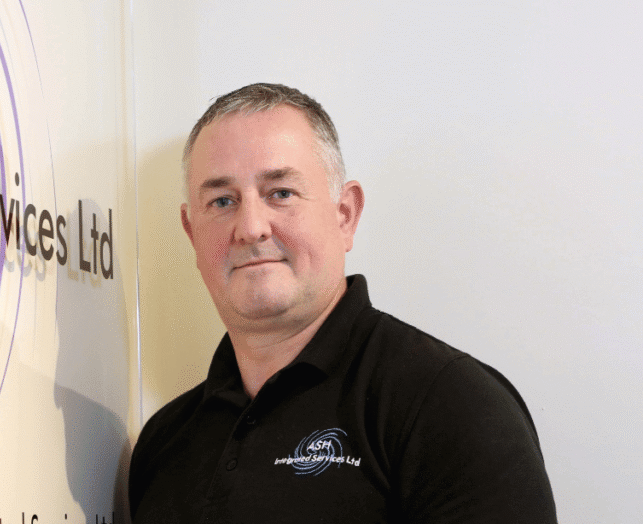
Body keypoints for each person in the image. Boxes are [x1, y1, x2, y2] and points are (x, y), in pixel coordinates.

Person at [128, 83, 557, 523]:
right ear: (191, 232)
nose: (251, 227)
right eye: (222, 201)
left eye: (281, 193)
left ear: (345, 214)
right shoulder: (163, 442)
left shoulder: (449, 405)